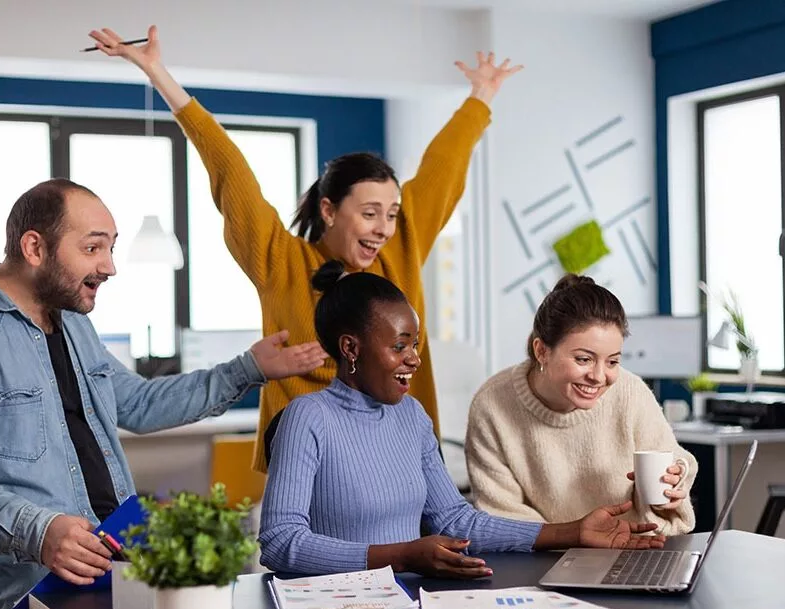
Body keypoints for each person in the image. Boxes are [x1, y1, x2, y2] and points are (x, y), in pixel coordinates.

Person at [0, 178, 327, 609]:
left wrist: (247, 370)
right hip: (29, 592)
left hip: (123, 565)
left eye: (112, 247)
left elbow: (138, 403)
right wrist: (39, 531)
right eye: (93, 247)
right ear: (34, 247)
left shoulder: (74, 324)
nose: (110, 266)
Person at [87, 25, 524, 473]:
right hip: (312, 471)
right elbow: (231, 172)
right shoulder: (281, 261)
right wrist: (157, 72)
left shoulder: (401, 250)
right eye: (370, 213)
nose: (384, 228)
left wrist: (480, 97)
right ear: (330, 210)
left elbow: (443, 168)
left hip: (401, 461)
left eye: (392, 214)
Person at [257, 261, 665, 578]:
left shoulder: (412, 417)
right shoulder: (307, 418)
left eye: (415, 344)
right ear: (351, 348)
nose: (414, 359)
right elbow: (280, 542)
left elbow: (455, 518)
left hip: (407, 601)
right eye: (400, 346)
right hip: (333, 608)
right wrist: (399, 558)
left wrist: (573, 532)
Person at [465, 274, 698, 536]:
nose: (599, 377)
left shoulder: (630, 391)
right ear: (542, 351)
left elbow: (673, 462)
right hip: (542, 559)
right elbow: (501, 514)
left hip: (633, 550)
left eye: (612, 362)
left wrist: (674, 483)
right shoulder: (492, 404)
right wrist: (574, 537)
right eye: (584, 359)